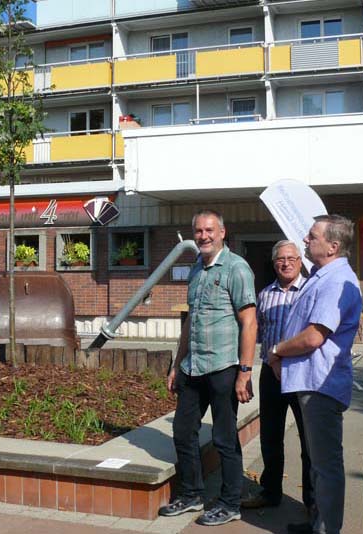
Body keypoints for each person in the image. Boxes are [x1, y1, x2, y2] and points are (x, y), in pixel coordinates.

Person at [159, 209, 257, 526]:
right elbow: (190, 323)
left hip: (223, 366)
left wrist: (245, 371)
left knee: (225, 439)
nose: (203, 236)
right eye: (198, 231)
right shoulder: (197, 268)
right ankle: (191, 495)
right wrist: (177, 365)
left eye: (209, 230)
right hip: (193, 366)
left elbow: (249, 322)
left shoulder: (237, 269)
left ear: (222, 233)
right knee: (183, 431)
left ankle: (230, 503)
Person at [267, 215, 362, 534]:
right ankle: (319, 522)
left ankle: (325, 529)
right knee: (320, 464)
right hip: (311, 381)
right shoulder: (323, 275)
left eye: (312, 237)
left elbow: (313, 337)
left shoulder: (336, 281)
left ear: (333, 246)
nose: (305, 241)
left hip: (320, 384)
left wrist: (278, 350)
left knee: (325, 464)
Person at [241, 240, 314, 515]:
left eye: (291, 258)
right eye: (280, 259)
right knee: (270, 436)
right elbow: (255, 332)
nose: (285, 263)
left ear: (299, 261)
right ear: (274, 264)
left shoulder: (310, 290)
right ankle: (270, 491)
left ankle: (312, 500)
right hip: (270, 375)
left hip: (300, 373)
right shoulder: (265, 294)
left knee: (309, 441)